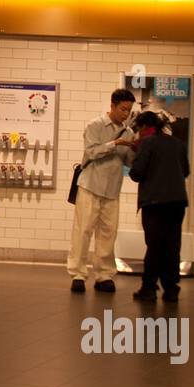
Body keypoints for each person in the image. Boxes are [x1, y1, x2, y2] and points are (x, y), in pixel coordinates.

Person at [67, 87, 137, 292]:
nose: (125, 114)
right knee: (83, 230)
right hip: (90, 186)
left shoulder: (130, 132)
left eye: (129, 110)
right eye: (123, 109)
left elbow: (129, 162)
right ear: (112, 106)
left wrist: (135, 149)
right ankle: (78, 274)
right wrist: (114, 144)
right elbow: (91, 152)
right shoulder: (95, 125)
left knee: (108, 233)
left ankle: (104, 275)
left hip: (113, 189)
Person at [127, 110, 190, 302]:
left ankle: (149, 288)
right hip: (177, 202)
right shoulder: (178, 143)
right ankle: (171, 289)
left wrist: (135, 154)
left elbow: (136, 173)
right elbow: (186, 171)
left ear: (144, 127)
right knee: (172, 245)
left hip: (154, 202)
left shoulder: (147, 143)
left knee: (154, 245)